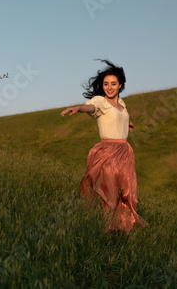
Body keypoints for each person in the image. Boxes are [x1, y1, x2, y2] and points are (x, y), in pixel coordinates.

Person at [61, 59, 147, 233]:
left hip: (125, 152)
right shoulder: (100, 101)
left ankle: (124, 225)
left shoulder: (121, 104)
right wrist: (78, 108)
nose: (109, 87)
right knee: (109, 191)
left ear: (120, 85)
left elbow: (120, 116)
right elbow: (91, 107)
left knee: (128, 192)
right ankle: (107, 228)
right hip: (108, 152)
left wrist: (127, 123)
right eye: (106, 84)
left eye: (113, 84)